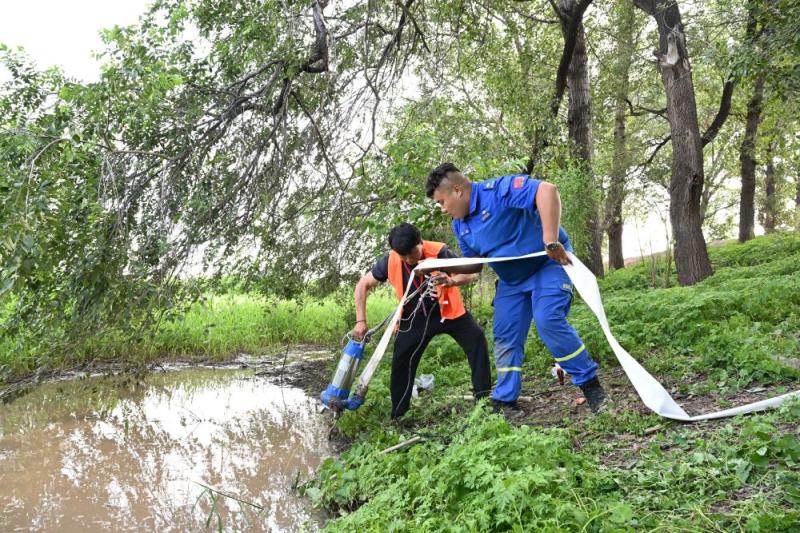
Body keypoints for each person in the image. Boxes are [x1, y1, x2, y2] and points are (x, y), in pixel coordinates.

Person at [423, 163, 609, 413]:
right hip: (511, 281)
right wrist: (443, 268)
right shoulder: (461, 224)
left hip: (548, 264)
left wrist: (550, 241)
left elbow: (547, 191)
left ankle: (591, 386)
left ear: (457, 190)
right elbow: (476, 265)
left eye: (442, 202)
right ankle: (505, 399)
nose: (443, 209)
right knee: (504, 335)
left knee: (548, 320)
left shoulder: (498, 191)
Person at [352, 222, 492, 418]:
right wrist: (360, 320)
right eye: (404, 256)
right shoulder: (390, 260)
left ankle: (483, 400)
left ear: (420, 242)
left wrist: (451, 280)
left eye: (412, 253)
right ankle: (399, 414)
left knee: (477, 338)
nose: (409, 259)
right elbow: (363, 285)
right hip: (413, 317)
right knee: (401, 361)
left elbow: (471, 274)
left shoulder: (439, 251)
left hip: (448, 312)